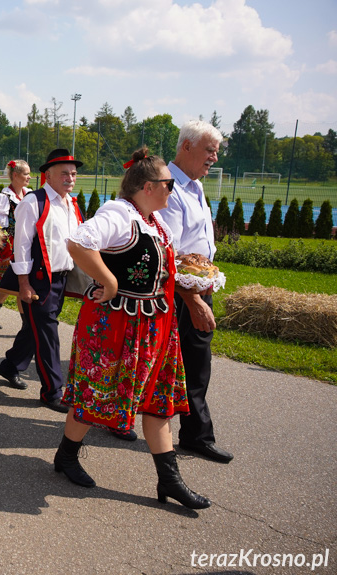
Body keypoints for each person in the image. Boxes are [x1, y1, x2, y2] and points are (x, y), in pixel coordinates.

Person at [53, 148, 210, 510]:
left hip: (154, 325)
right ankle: (66, 456)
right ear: (149, 186)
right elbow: (78, 242)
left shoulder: (155, 222)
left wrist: (192, 297)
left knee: (158, 402)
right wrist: (107, 280)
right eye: (169, 184)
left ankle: (169, 480)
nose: (172, 190)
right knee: (96, 395)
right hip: (115, 325)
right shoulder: (120, 214)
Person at [160, 120, 233, 464]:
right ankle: (118, 418)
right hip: (177, 293)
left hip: (198, 287)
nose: (213, 158)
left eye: (215, 151)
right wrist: (194, 301)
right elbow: (169, 252)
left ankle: (195, 434)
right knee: (159, 362)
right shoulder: (169, 187)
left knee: (196, 364)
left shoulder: (195, 186)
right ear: (186, 147)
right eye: (209, 150)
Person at [0, 149, 84, 411]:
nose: (70, 178)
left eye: (74, 173)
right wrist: (24, 284)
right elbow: (21, 246)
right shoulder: (34, 202)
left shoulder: (71, 203)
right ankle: (52, 392)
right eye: (65, 173)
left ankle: (10, 365)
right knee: (48, 335)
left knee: (36, 329)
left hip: (61, 278)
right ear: (49, 175)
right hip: (38, 280)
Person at [0, 159, 32, 330]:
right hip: (9, 247)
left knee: (11, 283)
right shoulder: (4, 198)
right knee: (18, 284)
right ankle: (27, 325)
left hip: (24, 244)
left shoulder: (28, 194)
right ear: (15, 175)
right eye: (26, 174)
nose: (29, 177)